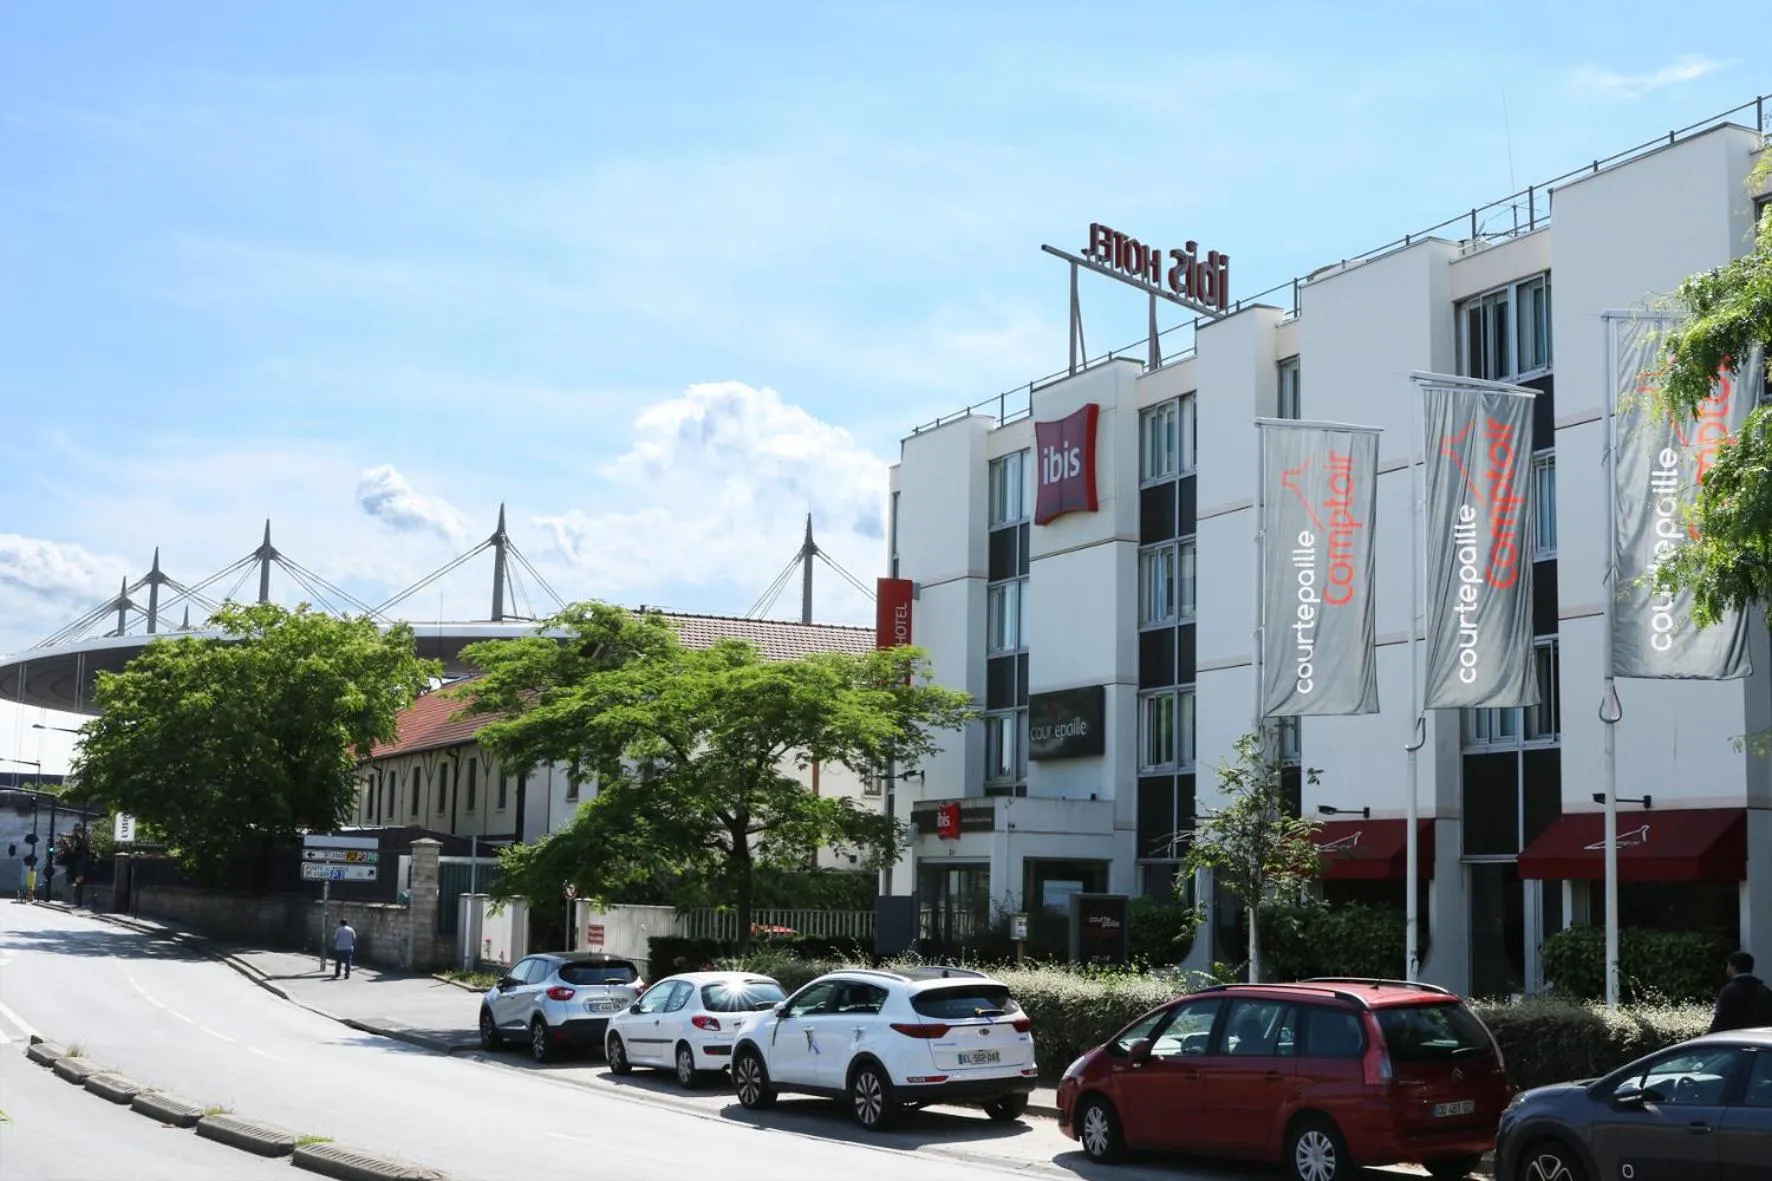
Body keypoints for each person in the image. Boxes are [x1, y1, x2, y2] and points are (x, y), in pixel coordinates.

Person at [1708, 950, 1772, 1032]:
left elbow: (1721, 1019)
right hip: (1759, 1038)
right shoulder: (1764, 990)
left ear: (1733, 967)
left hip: (1735, 1039)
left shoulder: (1729, 991)